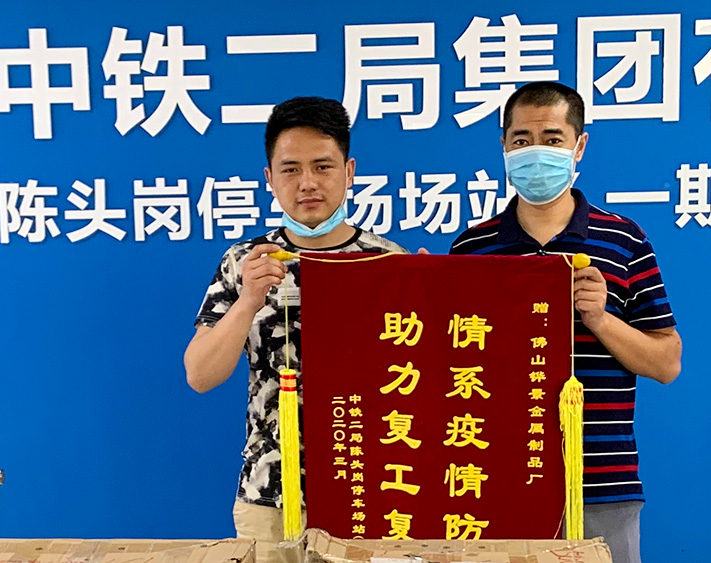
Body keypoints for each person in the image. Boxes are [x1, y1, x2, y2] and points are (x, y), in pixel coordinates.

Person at [449, 82, 681, 563]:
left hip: (601, 483)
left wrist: (600, 319)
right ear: (503, 146)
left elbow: (666, 363)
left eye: (552, 139)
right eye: (521, 139)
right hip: (496, 478)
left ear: (579, 145)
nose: (536, 151)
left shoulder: (624, 241)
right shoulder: (472, 250)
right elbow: (450, 366)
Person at [184, 97, 406, 563]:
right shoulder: (245, 261)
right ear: (270, 178)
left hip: (371, 490)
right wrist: (248, 300)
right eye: (290, 169)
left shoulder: (389, 263)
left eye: (322, 166)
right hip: (270, 494)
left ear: (348, 172)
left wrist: (435, 297)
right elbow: (200, 375)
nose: (307, 183)